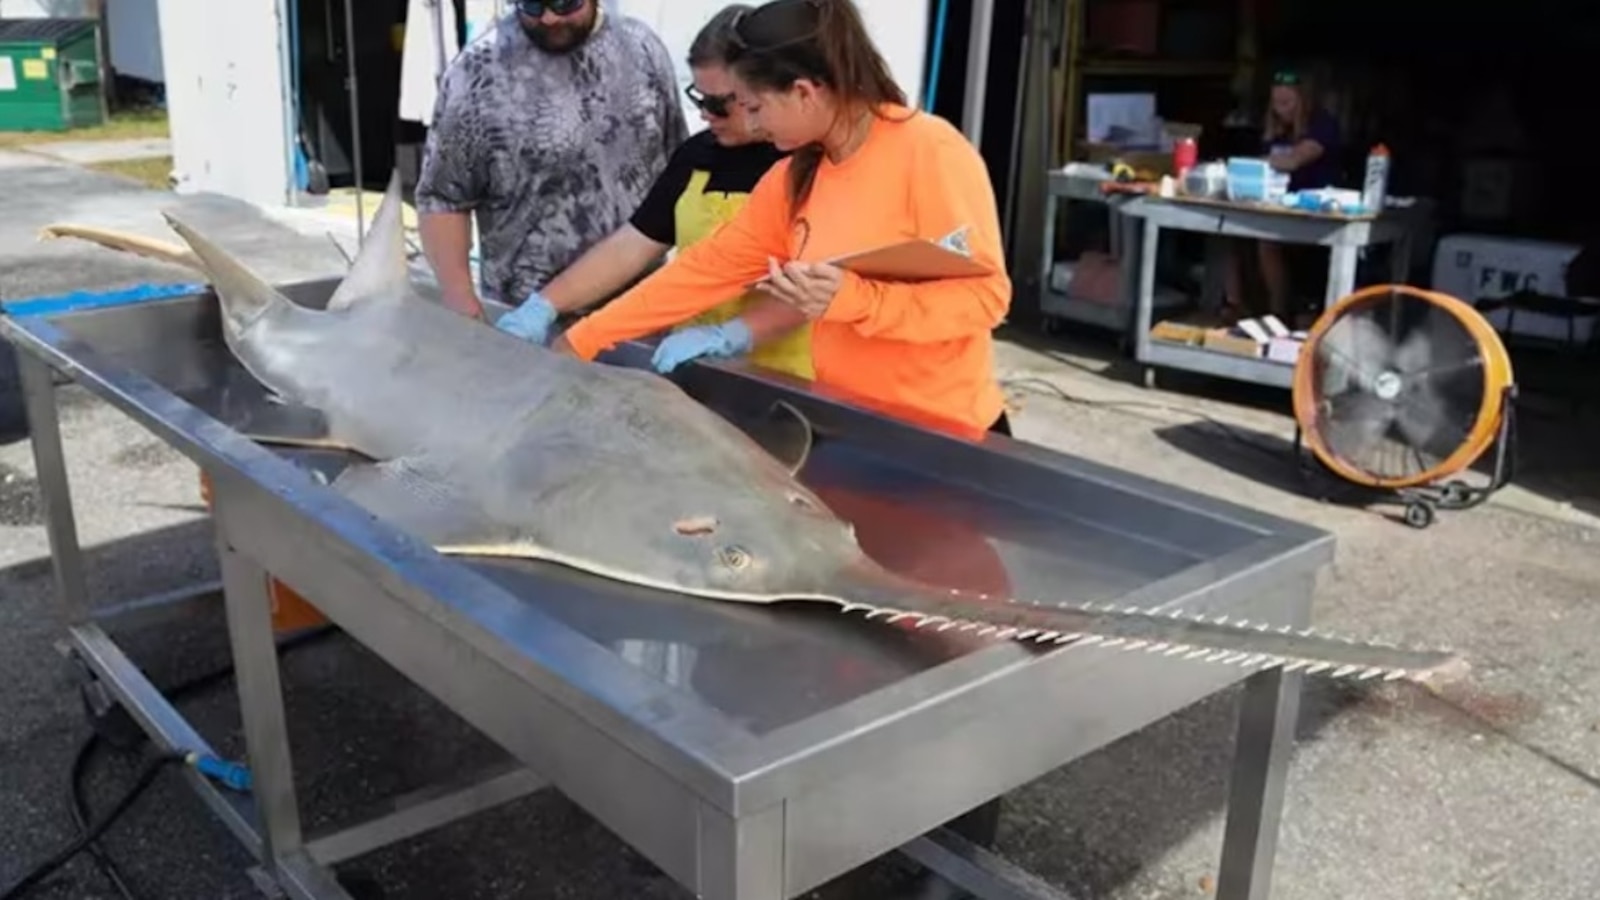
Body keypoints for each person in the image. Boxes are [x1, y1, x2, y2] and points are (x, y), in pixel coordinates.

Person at [512, 0, 1013, 442]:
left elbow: (986, 298)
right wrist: (582, 338)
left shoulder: (928, 150)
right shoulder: (794, 175)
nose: (751, 124)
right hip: (852, 419)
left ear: (804, 92)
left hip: (948, 434)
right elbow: (702, 270)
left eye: (755, 107)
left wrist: (857, 299)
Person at [494, 3, 814, 379]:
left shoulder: (809, 165)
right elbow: (632, 245)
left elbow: (818, 287)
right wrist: (545, 305)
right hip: (692, 367)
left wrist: (731, 336)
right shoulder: (697, 155)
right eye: (698, 98)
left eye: (720, 104)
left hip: (785, 381)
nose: (707, 115)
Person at [414, 0, 689, 320]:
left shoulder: (643, 49)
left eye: (564, 3)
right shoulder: (479, 69)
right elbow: (443, 198)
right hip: (526, 320)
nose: (548, 18)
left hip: (641, 311)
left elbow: (678, 170)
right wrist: (459, 295)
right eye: (531, 6)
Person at [1223, 69, 1344, 323]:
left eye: (1288, 103)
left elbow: (1293, 160)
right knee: (1231, 234)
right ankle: (1237, 307)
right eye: (1277, 104)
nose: (1282, 109)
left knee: (1268, 241)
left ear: (1303, 100)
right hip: (1276, 205)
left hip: (1315, 212)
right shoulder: (1276, 131)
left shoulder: (1322, 126)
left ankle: (1279, 313)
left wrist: (1250, 164)